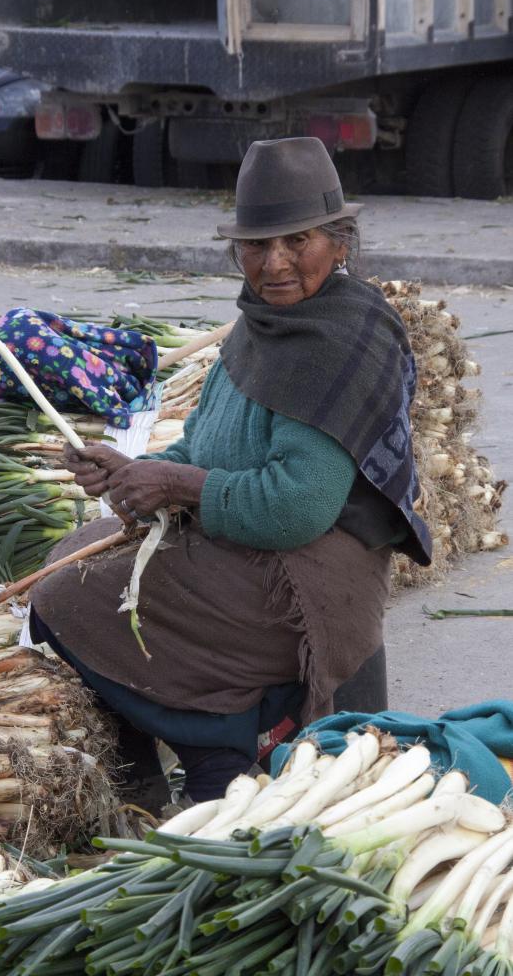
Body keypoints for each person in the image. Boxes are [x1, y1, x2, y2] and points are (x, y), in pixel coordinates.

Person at [29, 137, 432, 810]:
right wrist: (135, 472)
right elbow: (204, 446)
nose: (272, 264)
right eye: (255, 247)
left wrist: (178, 488)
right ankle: (153, 772)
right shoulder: (261, 325)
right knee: (65, 565)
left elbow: (297, 506)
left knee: (71, 597)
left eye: (295, 241)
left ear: (339, 243)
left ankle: (219, 749)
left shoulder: (334, 342)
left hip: (307, 577)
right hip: (252, 546)